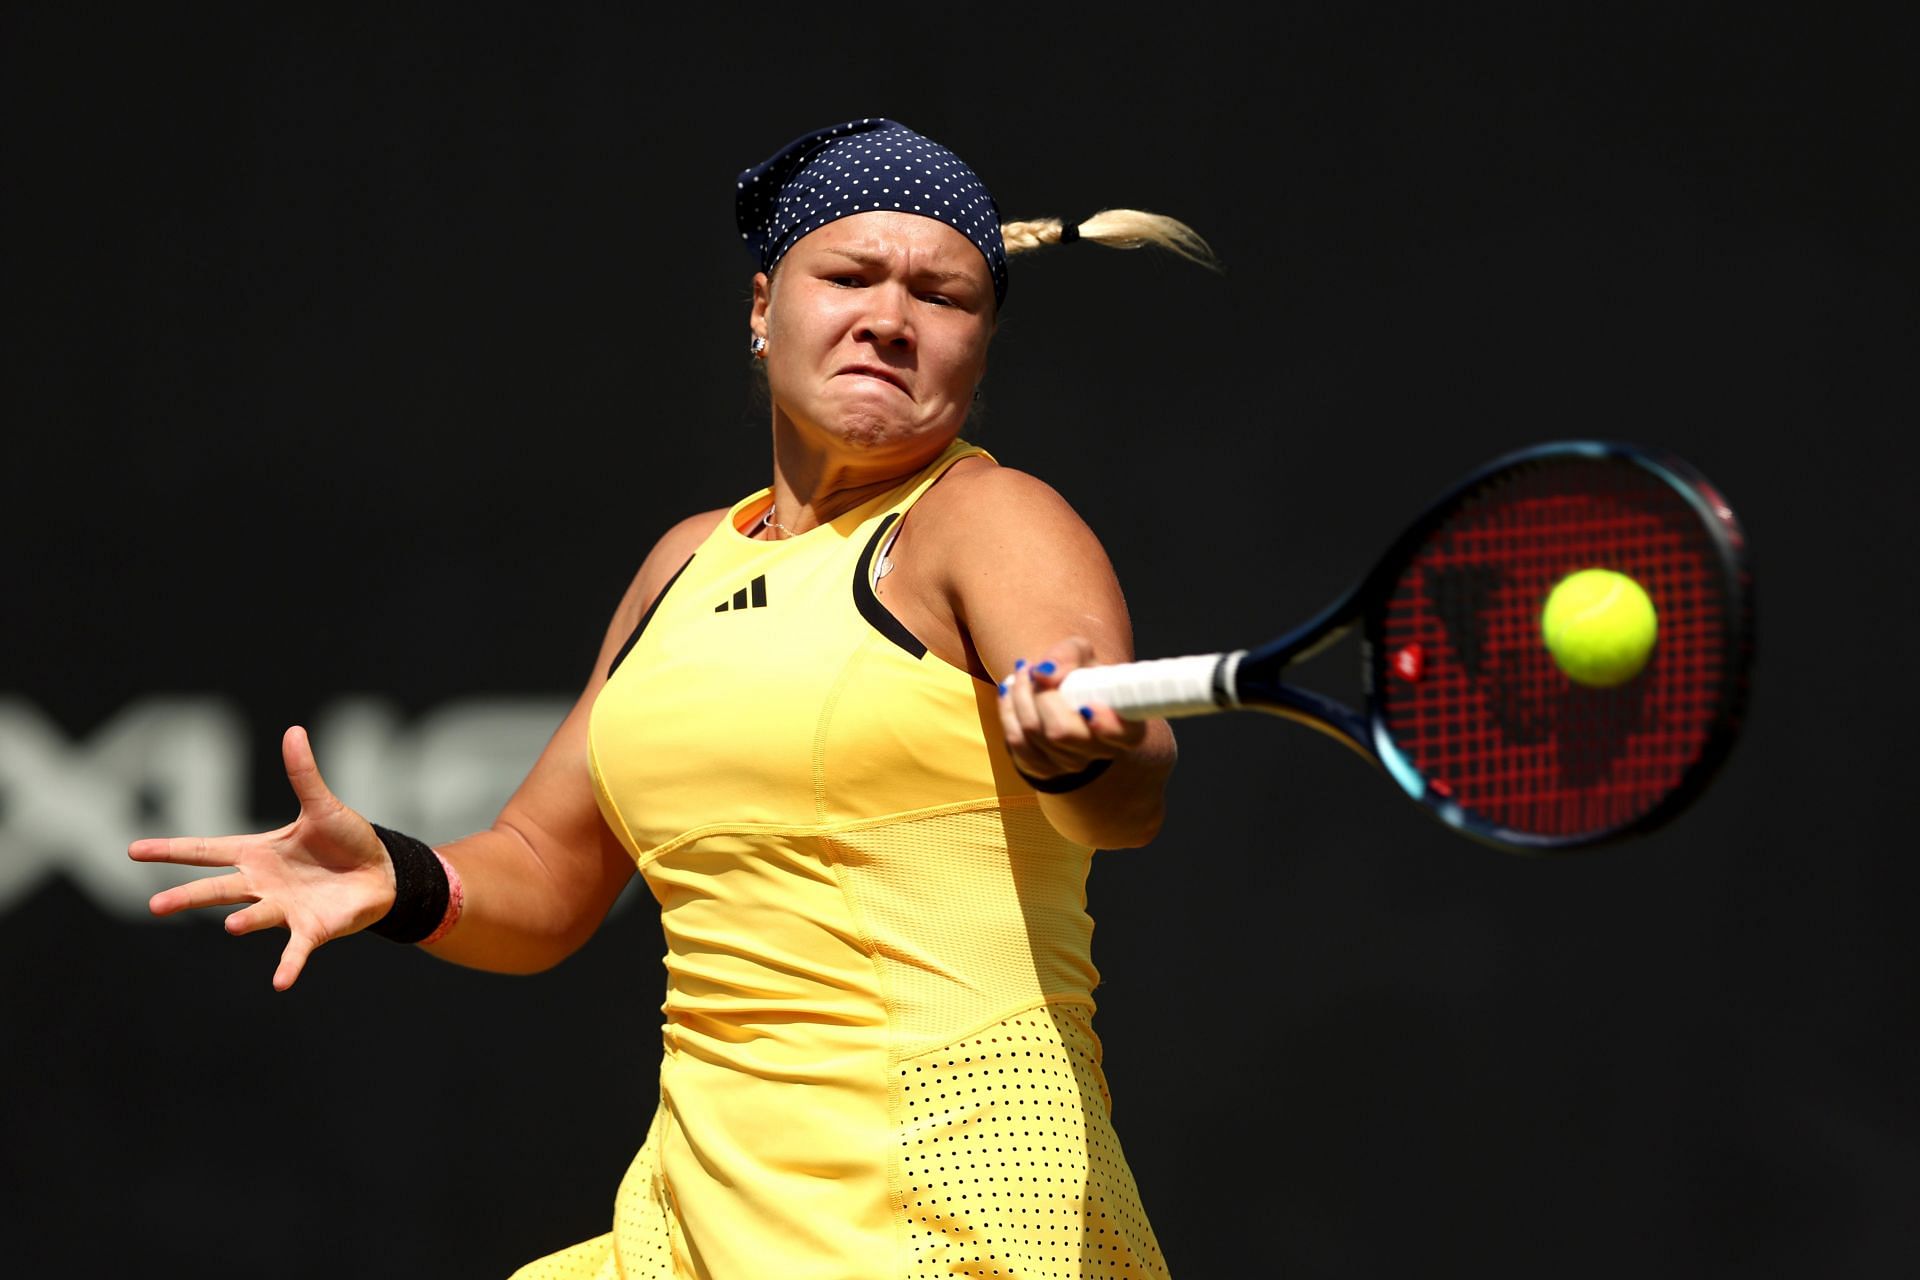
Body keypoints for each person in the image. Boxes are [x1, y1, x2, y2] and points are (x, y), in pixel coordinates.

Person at [130, 116, 1219, 1279]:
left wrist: (1080, 751)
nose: (891, 319)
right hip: (698, 1220)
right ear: (763, 307)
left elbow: (1124, 780)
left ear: (981, 345)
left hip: (948, 1211)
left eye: (942, 297)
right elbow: (549, 875)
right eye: (849, 275)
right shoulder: (685, 562)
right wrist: (403, 878)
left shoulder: (992, 520)